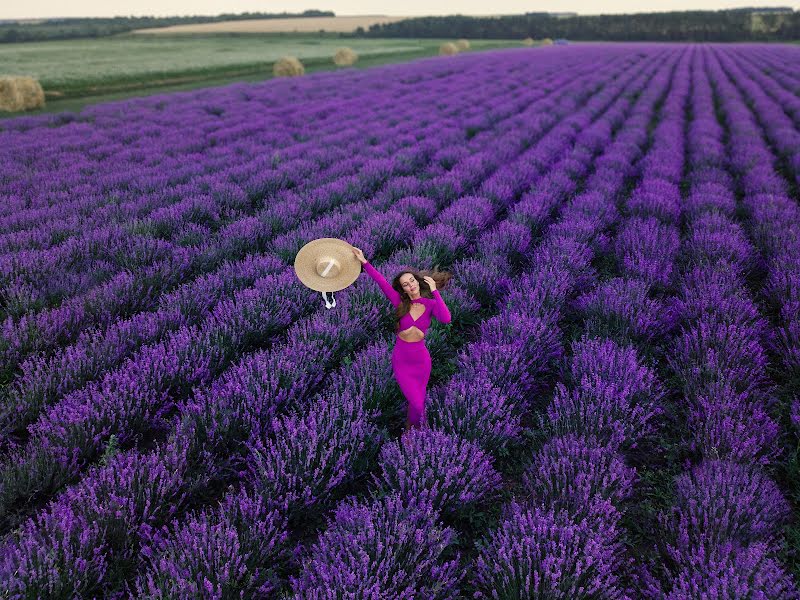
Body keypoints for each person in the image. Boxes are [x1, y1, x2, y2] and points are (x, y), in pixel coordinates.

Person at [351, 246, 452, 431]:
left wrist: (434, 291)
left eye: (412, 280)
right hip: (403, 360)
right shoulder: (400, 302)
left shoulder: (430, 304)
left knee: (417, 403)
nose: (410, 285)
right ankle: (416, 431)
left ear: (417, 282)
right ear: (403, 289)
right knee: (418, 403)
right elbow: (381, 282)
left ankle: (410, 433)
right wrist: (364, 262)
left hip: (421, 360)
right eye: (406, 284)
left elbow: (446, 318)